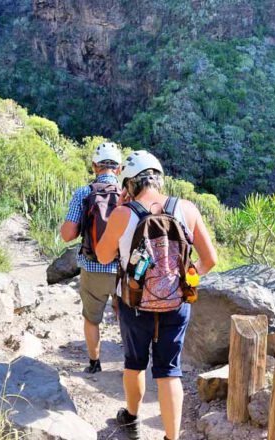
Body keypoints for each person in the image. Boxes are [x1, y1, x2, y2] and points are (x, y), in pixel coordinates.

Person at [95, 151, 218, 440]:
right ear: (159, 179)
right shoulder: (187, 209)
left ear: (129, 184)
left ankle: (132, 419)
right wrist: (184, 281)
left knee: (135, 363)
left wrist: (122, 212)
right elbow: (209, 259)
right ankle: (171, 437)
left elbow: (102, 257)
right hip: (176, 305)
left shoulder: (123, 214)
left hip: (134, 303)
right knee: (169, 370)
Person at [60, 142, 123, 374]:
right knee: (126, 316)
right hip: (123, 270)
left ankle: (95, 363)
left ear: (95, 166)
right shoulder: (128, 196)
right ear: (119, 169)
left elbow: (68, 235)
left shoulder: (84, 193)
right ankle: (131, 366)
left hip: (93, 266)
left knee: (92, 318)